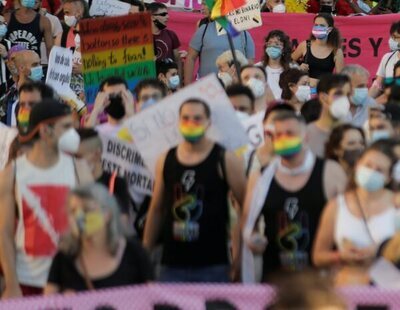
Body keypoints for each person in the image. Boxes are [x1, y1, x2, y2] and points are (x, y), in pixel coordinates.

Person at [143, 98, 246, 283]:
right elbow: (156, 209)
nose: (191, 123)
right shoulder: (166, 159)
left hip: (213, 266)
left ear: (208, 122)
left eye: (197, 119)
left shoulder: (225, 158)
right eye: (186, 118)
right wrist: (144, 254)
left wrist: (240, 256)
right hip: (171, 266)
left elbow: (247, 207)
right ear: (179, 122)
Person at [0, 99, 92, 298]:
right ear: (45, 131)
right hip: (26, 281)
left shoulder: (79, 168)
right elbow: (4, 233)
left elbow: (93, 226)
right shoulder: (12, 173)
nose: (73, 132)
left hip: (69, 282)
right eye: (66, 126)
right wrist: (12, 283)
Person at [242, 111, 347, 282]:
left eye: (290, 133)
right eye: (278, 135)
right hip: (275, 278)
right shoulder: (260, 178)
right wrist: (253, 239)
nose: (283, 139)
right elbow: (248, 222)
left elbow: (347, 223)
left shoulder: (330, 172)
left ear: (305, 137)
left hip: (318, 280)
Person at [313, 141, 398, 286]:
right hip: (347, 288)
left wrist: (381, 251)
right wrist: (341, 256)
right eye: (368, 166)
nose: (372, 172)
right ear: (358, 165)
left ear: (388, 177)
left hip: (389, 291)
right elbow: (318, 257)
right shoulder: (336, 205)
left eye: (379, 170)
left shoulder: (396, 205)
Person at [45, 184, 153, 293]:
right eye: (73, 211)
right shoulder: (64, 256)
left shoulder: (133, 252)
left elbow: (155, 298)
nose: (79, 217)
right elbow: (47, 303)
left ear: (107, 214)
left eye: (87, 210)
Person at [184, 15, 255, 85]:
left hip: (234, 88)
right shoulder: (204, 30)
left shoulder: (245, 34)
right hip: (207, 86)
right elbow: (190, 57)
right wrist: (187, 86)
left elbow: (249, 64)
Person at [292, 13, 344, 89]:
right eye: (316, 25)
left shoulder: (336, 51)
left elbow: (340, 79)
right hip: (304, 90)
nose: (318, 27)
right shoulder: (305, 45)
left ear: (329, 29)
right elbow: (289, 61)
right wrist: (297, 67)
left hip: (324, 90)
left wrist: (319, 83)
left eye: (322, 26)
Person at [306, 74, 351, 158]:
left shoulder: (353, 134)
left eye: (348, 94)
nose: (345, 99)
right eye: (338, 93)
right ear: (323, 97)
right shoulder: (306, 136)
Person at [57, 0, 88, 100]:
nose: (65, 16)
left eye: (67, 12)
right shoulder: (62, 35)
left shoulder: (96, 35)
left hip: (88, 94)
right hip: (66, 96)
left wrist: (85, 69)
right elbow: (56, 65)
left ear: (79, 12)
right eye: (64, 13)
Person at [147, 3, 182, 77]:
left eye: (167, 14)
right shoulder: (141, 38)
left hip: (168, 84)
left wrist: (179, 83)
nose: (168, 17)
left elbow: (178, 60)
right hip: (148, 83)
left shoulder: (171, 34)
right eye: (163, 14)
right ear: (153, 17)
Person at [370, 21, 400, 99]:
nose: (394, 40)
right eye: (393, 37)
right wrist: (366, 102)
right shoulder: (387, 58)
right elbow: (377, 86)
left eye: (397, 37)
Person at [261, 30, 293, 100]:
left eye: (277, 44)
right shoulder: (258, 68)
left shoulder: (293, 69)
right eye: (269, 43)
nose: (272, 46)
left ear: (284, 48)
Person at [34, 0, 62, 74]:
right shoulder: (21, 20)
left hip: (47, 67)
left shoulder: (53, 20)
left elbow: (57, 47)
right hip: (27, 65)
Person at [0, 14, 11, 97]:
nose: (3, 26)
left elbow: (14, 69)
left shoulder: (8, 43)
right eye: (0, 23)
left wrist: (6, 56)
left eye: (4, 23)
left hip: (4, 87)